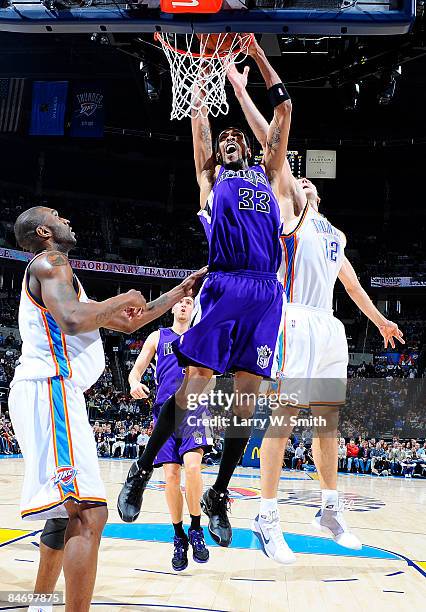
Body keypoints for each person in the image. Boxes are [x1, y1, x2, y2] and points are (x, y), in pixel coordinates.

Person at [226, 58, 405, 563]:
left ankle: (329, 508)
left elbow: (350, 284)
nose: (300, 183)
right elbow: (272, 145)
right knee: (283, 417)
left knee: (327, 421)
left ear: (319, 194)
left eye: (308, 184)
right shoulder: (291, 214)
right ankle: (266, 515)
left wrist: (379, 320)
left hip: (330, 327)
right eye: (294, 181)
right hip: (294, 317)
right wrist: (241, 88)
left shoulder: (333, 233)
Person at [118, 36, 292, 550]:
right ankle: (144, 466)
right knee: (192, 390)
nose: (231, 140)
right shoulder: (209, 182)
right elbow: (200, 124)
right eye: (225, 138)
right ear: (219, 151)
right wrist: (199, 85)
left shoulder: (272, 175)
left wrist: (256, 56)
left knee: (246, 402)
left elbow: (283, 110)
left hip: (266, 293)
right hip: (223, 282)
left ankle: (218, 494)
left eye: (239, 136)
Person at [9, 206, 206, 612]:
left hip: (54, 395)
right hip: (51, 391)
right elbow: (71, 320)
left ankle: (40, 604)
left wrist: (180, 291)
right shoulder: (51, 262)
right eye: (58, 215)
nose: (68, 218)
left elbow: (130, 321)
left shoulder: (64, 278)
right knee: (89, 515)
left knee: (67, 514)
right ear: (45, 231)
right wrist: (123, 296)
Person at [127, 296, 210, 570]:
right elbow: (136, 370)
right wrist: (133, 383)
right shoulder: (157, 336)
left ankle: (196, 529)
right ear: (174, 308)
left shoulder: (202, 335)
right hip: (163, 413)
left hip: (195, 409)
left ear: (194, 310)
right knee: (171, 477)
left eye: (189, 302)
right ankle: (178, 536)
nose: (185, 305)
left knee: (193, 467)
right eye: (181, 302)